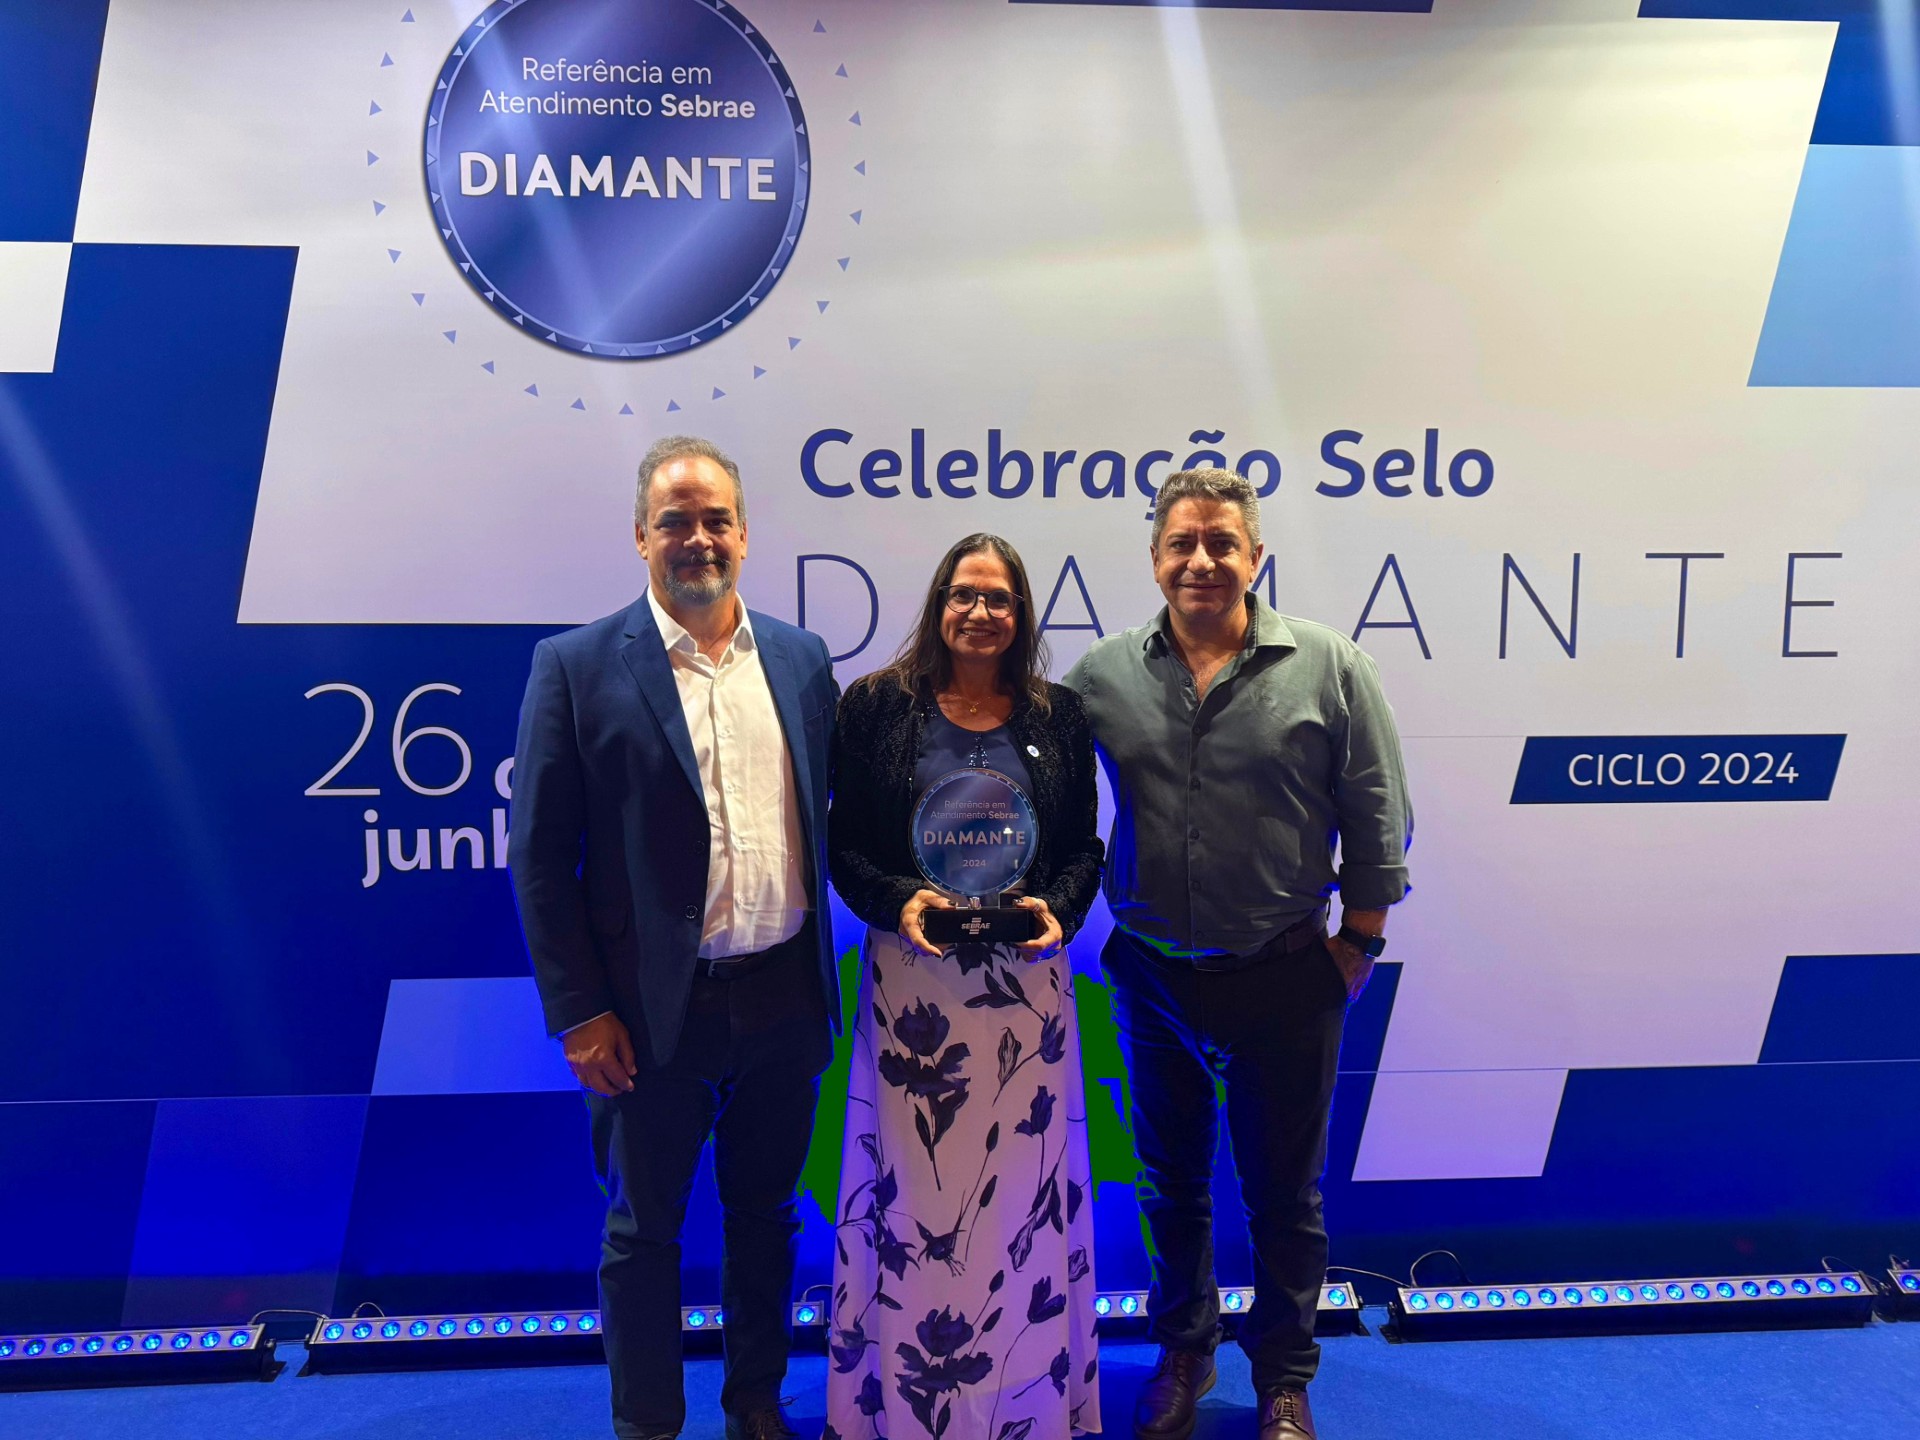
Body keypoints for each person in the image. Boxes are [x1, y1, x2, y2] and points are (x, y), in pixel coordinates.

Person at [1064, 469, 1413, 1440]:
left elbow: (1377, 813)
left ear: (1256, 556)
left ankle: (1284, 1380)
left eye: (1222, 542)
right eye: (1183, 542)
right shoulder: (1102, 677)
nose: (1202, 560)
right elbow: (1042, 793)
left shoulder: (1329, 666)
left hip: (1288, 975)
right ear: (1155, 558)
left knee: (1283, 1196)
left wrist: (1358, 943)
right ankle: (1185, 1351)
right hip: (1150, 979)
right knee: (1169, 1184)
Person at [509, 436, 841, 1440]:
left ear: (744, 532)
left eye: (715, 520)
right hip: (648, 1017)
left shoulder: (800, 659)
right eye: (675, 522)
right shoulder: (574, 666)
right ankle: (650, 1426)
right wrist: (580, 1013)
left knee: (767, 1220)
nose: (698, 538)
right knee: (643, 1234)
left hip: (785, 998)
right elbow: (539, 858)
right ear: (640, 537)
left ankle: (755, 1409)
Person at [823, 533, 1106, 1440]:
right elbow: (843, 847)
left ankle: (1023, 1403)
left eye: (999, 598)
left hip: (1026, 994)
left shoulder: (1060, 717)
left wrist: (1061, 910)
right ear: (939, 603)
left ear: (1021, 614)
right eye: (964, 594)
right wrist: (898, 899)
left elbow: (1083, 848)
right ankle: (907, 1411)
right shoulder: (875, 707)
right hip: (915, 995)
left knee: (1018, 1195)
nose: (980, 612)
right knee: (919, 1196)